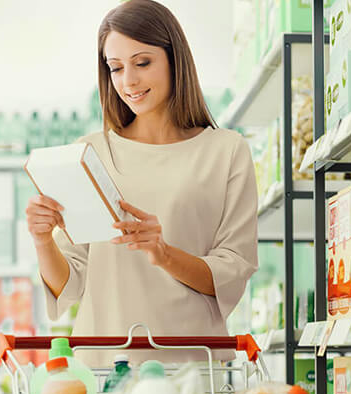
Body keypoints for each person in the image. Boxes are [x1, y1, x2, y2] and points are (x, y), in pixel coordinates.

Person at [25, 0, 258, 367]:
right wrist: (42, 241)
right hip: (105, 369)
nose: (128, 81)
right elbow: (69, 283)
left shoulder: (226, 151)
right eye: (115, 68)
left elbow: (233, 271)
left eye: (142, 62)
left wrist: (164, 253)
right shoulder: (88, 152)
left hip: (193, 369)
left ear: (174, 59)